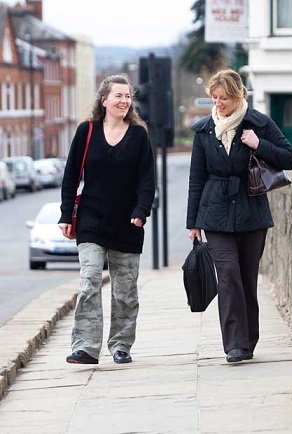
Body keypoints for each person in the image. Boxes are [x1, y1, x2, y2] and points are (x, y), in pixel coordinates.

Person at [186, 69, 292, 363]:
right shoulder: (204, 130)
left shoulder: (258, 123)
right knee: (228, 274)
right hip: (215, 212)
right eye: (215, 97)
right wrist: (192, 223)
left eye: (224, 98)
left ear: (238, 96)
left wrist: (259, 144)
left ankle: (248, 341)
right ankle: (234, 344)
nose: (219, 103)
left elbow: (290, 157)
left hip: (251, 211)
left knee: (247, 277)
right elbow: (196, 177)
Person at [58, 74, 155, 365]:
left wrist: (141, 211)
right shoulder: (86, 131)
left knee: (125, 291)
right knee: (89, 282)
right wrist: (65, 214)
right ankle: (85, 347)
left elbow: (147, 180)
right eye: (119, 96)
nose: (124, 101)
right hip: (91, 221)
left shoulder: (138, 135)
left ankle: (121, 345)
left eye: (128, 96)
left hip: (127, 223)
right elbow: (71, 176)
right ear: (104, 100)